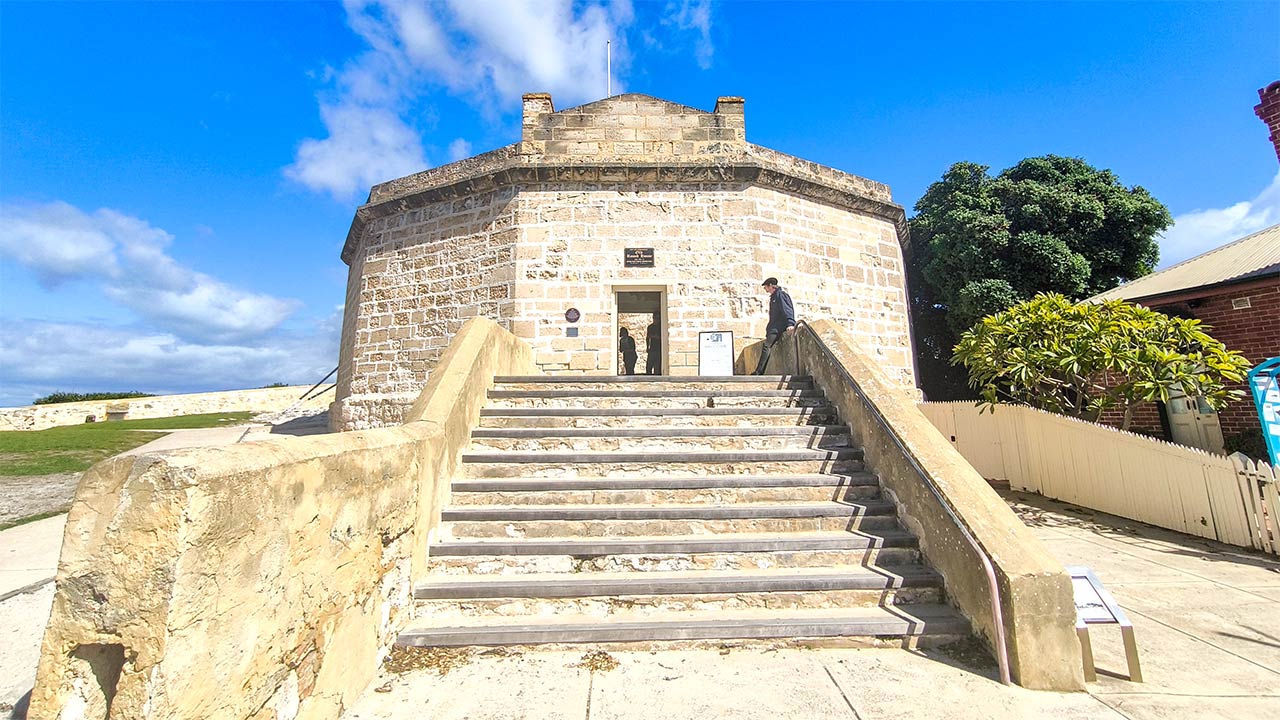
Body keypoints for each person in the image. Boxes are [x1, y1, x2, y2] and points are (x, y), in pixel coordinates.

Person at [753, 277, 796, 375]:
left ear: (771, 286)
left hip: (777, 327)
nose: (765, 289)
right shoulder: (774, 297)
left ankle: (759, 371)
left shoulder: (780, 295)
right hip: (774, 327)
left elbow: (787, 309)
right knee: (767, 346)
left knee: (766, 346)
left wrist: (790, 323)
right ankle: (759, 371)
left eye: (766, 287)